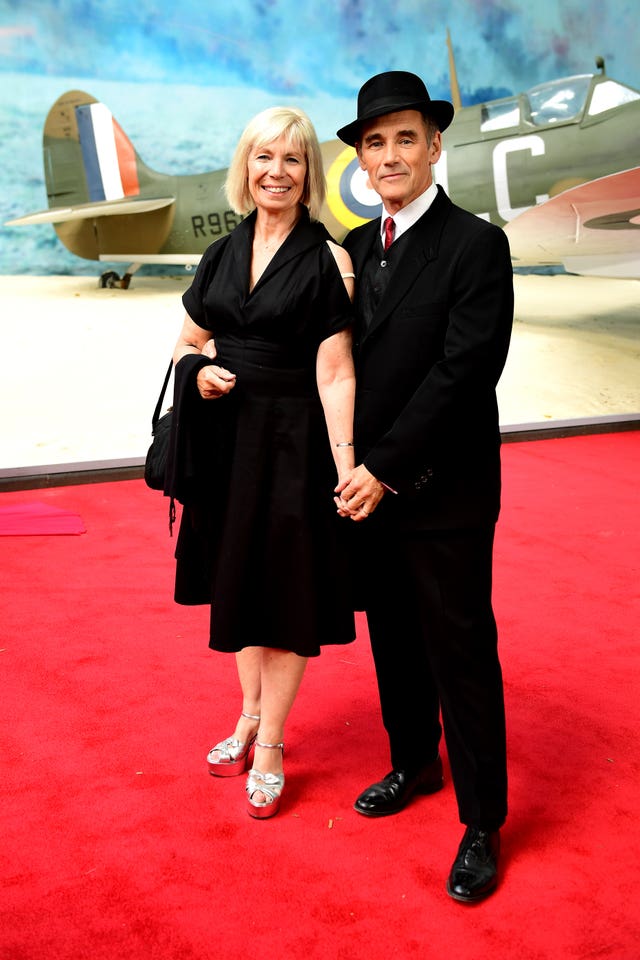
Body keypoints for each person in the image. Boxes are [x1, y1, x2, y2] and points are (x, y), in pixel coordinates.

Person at [334, 72, 513, 902]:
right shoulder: (356, 250)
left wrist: (383, 468)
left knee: (460, 652)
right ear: (364, 159)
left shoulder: (476, 246)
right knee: (395, 642)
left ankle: (483, 821)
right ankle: (414, 763)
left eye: (407, 137)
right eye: (376, 141)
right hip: (369, 491)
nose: (391, 154)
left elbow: (462, 374)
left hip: (441, 489)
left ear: (435, 146)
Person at [168, 105, 357, 819]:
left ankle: (272, 741)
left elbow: (337, 375)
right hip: (226, 445)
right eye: (264, 157)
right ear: (244, 168)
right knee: (237, 589)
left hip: (293, 447)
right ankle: (247, 714)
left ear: (308, 174)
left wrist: (344, 465)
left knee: (284, 596)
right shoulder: (221, 252)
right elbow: (187, 343)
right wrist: (199, 373)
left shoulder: (326, 259)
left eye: (293, 159)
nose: (276, 171)